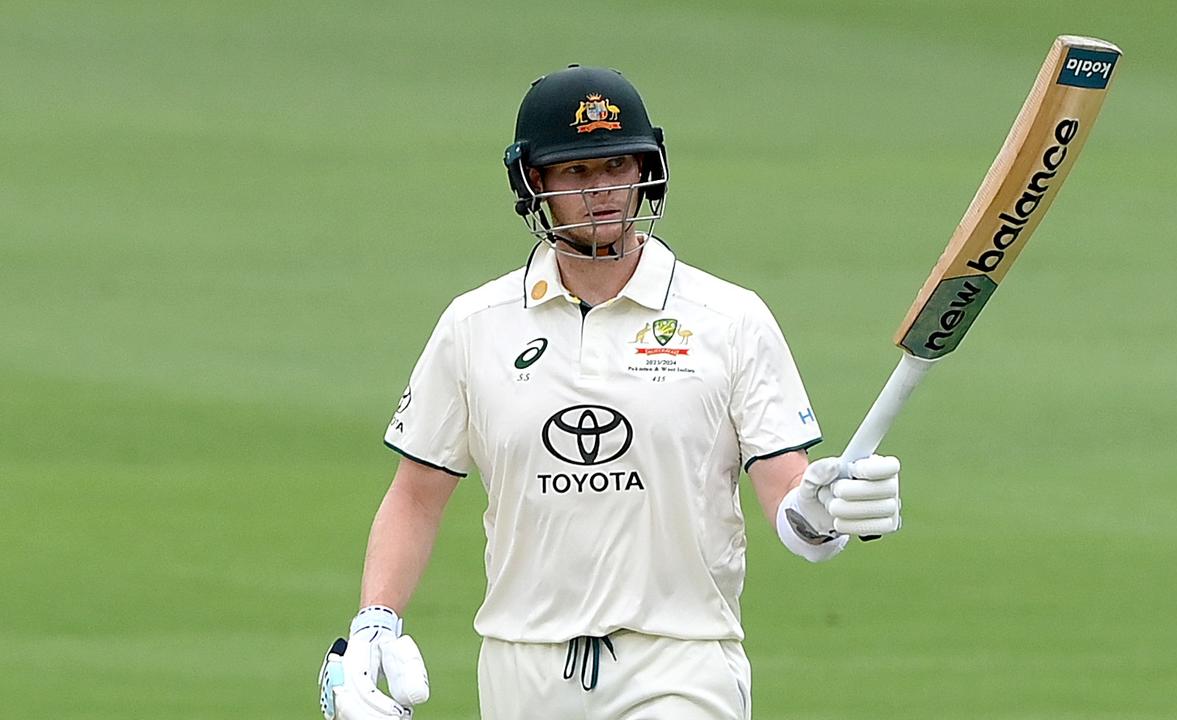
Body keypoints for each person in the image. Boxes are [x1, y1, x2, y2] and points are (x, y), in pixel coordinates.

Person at [318, 65, 903, 720]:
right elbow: (416, 496)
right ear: (533, 182)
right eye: (575, 173)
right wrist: (375, 623)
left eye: (617, 165)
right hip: (520, 664)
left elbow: (786, 492)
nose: (603, 191)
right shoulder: (474, 326)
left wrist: (825, 512)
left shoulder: (727, 318)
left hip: (680, 659)